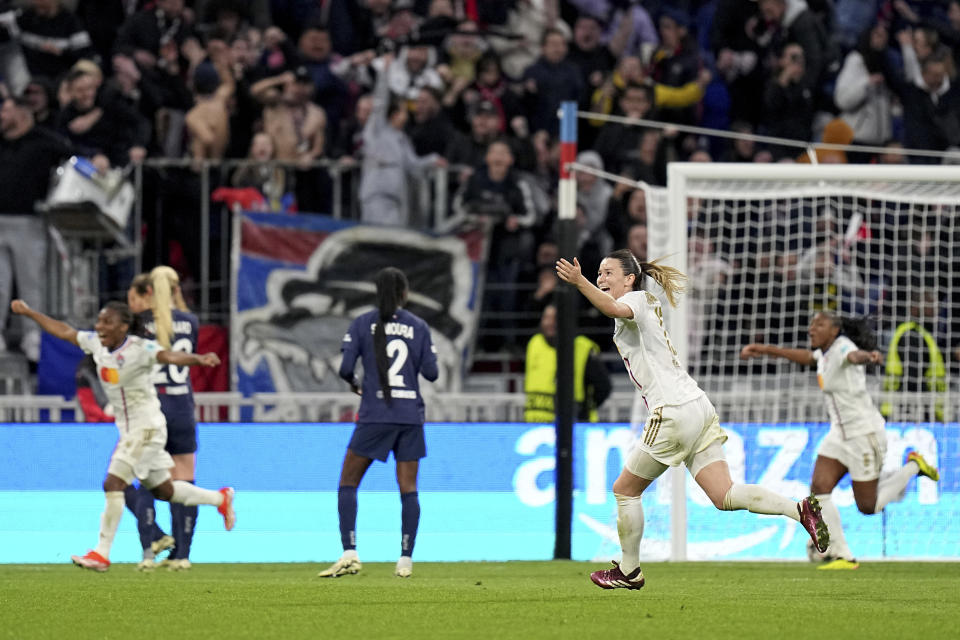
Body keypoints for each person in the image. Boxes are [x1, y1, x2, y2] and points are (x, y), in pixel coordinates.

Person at [555, 250, 830, 590]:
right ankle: (799, 509)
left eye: (608, 272)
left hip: (671, 411)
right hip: (697, 406)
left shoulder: (638, 299)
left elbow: (613, 307)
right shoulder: (641, 305)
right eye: (598, 273)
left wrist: (579, 281)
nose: (601, 278)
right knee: (725, 495)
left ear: (629, 278)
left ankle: (629, 571)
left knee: (625, 489)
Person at [10, 298, 235, 572]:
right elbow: (64, 331)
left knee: (113, 483)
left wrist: (198, 359)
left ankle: (102, 553)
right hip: (131, 429)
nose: (100, 326)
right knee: (165, 491)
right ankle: (220, 498)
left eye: (107, 322)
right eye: (100, 321)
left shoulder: (140, 349)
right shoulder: (96, 343)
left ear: (124, 327)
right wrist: (30, 312)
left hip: (147, 427)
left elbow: (169, 356)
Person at [741, 312, 940, 568]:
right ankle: (843, 554)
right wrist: (766, 349)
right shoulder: (823, 354)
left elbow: (853, 357)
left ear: (834, 331)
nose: (812, 329)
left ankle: (914, 465)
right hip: (839, 434)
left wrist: (868, 357)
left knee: (869, 506)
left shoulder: (844, 347)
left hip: (864, 434)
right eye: (812, 324)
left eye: (820, 325)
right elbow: (806, 356)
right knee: (819, 489)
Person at [318, 267, 438, 579]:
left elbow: (345, 368)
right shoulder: (419, 326)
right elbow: (432, 373)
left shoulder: (362, 324)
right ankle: (405, 559)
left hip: (376, 414)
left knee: (348, 482)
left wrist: (357, 383)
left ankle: (350, 552)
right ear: (404, 294)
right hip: (410, 415)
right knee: (408, 488)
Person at [124, 266, 202, 570]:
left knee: (140, 478)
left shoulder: (139, 324)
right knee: (185, 480)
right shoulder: (191, 322)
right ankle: (182, 556)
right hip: (182, 406)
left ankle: (150, 547)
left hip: (151, 406)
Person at [524, 303, 611, 422]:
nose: (549, 323)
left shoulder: (583, 348)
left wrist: (583, 411)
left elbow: (603, 387)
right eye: (546, 318)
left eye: (554, 318)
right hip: (534, 425)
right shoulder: (534, 343)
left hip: (574, 426)